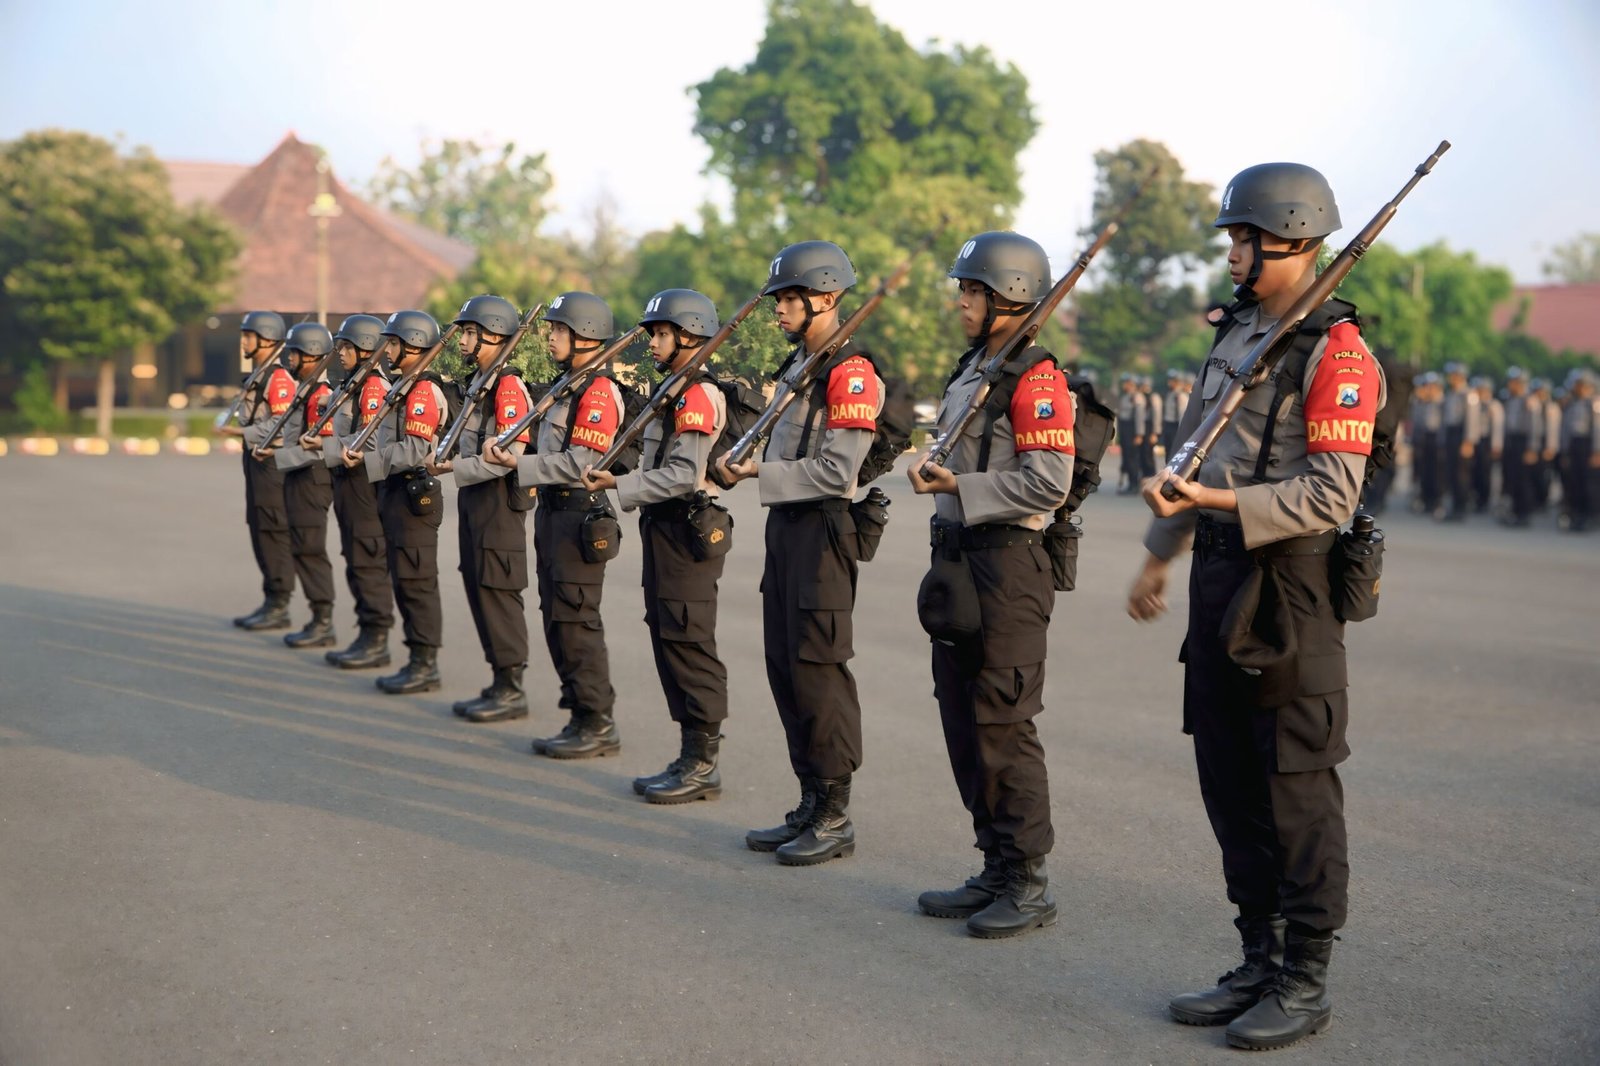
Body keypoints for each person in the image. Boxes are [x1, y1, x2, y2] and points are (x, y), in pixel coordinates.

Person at [1126, 162, 1384, 1051]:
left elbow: (1332, 495)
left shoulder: (1337, 354)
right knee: (1230, 780)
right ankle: (1257, 958)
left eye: (1246, 238)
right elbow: (1198, 457)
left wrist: (1211, 505)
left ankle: (1304, 978)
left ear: (1296, 241)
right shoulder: (1237, 336)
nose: (1233, 253)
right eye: (1234, 238)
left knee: (1294, 788)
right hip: (1219, 574)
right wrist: (1160, 554)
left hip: (1290, 589)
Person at [907, 231, 1074, 938]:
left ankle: (1028, 879)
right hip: (958, 561)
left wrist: (958, 486)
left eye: (973, 290)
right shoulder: (975, 368)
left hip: (1007, 566)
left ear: (1010, 296)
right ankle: (995, 864)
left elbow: (1049, 483)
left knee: (1003, 724)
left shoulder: (1036, 379)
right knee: (963, 720)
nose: (962, 302)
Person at [716, 240, 884, 866]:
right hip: (786, 528)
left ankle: (835, 813)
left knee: (818, 669)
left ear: (827, 298)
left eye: (790, 297)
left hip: (822, 532)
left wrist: (758, 472)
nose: (779, 308)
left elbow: (839, 471)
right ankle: (811, 801)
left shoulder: (850, 372)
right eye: (778, 298)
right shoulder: (801, 365)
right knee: (785, 666)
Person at [582, 289, 731, 803]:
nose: (653, 342)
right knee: (669, 638)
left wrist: (619, 484)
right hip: (663, 528)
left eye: (663, 333)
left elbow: (685, 473)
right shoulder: (673, 387)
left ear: (690, 335)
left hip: (687, 530)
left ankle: (703, 763)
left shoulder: (697, 394)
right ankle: (689, 754)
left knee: (690, 640)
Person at [486, 292, 624, 758]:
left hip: (578, 514)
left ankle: (598, 720)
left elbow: (582, 461)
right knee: (557, 619)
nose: (551, 336)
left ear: (586, 334)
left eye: (560, 329)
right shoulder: (567, 384)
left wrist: (519, 465)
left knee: (577, 620)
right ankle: (579, 714)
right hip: (552, 512)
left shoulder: (597, 391)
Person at [438, 296, 535, 723]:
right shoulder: (480, 381)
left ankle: (512, 686)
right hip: (475, 499)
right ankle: (499, 680)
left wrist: (453, 467)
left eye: (470, 332)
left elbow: (507, 457)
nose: (462, 339)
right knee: (478, 585)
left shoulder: (507, 386)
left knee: (497, 590)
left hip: (497, 502)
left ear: (494, 335)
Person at [343, 310, 449, 695]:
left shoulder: (422, 391)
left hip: (412, 495)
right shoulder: (405, 385)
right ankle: (415, 658)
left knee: (417, 581)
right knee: (403, 579)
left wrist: (369, 460)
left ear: (414, 344)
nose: (386, 350)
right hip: (394, 492)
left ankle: (425, 663)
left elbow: (416, 449)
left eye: (392, 343)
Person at [309, 314, 396, 669]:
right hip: (347, 483)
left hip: (363, 485)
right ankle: (366, 632)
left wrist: (327, 446)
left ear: (367, 349)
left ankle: (376, 638)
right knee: (355, 559)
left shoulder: (374, 386)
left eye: (348, 347)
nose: (341, 353)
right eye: (340, 346)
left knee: (367, 559)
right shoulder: (353, 384)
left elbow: (369, 441)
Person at [259, 322, 339, 648]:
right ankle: (317, 617)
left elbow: (319, 447)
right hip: (298, 476)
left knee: (310, 549)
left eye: (294, 353)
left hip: (311, 478)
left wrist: (277, 457)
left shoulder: (321, 395)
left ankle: (323, 620)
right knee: (300, 547)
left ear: (311, 355)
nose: (289, 359)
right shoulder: (305, 389)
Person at [221, 310, 296, 629]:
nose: (243, 342)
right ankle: (271, 598)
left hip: (271, 464)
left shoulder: (278, 378)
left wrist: (242, 432)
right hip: (254, 460)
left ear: (266, 339)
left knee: (272, 530)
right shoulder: (259, 374)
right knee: (258, 527)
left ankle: (280, 602)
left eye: (248, 335)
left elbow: (282, 424)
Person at [1558, 369, 1597, 532]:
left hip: (1587, 445)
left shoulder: (1594, 403)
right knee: (1575, 482)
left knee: (1589, 483)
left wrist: (1597, 451)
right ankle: (1576, 514)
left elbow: (1597, 429)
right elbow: (1566, 429)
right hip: (1574, 445)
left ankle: (1590, 515)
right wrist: (1565, 451)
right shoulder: (1572, 404)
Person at [1500, 368, 1536, 526]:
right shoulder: (1510, 399)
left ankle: (1524, 513)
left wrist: (1531, 448)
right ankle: (1514, 511)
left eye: (1513, 382)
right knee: (1513, 478)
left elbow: (1534, 426)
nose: (1510, 385)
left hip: (1524, 442)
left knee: (1523, 480)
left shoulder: (1529, 400)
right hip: (1512, 441)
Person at [1469, 375, 1502, 514]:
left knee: (1485, 472)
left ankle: (1485, 499)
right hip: (1475, 440)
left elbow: (1498, 427)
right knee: (1474, 470)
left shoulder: (1494, 405)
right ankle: (1476, 497)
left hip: (1487, 441)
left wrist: (1496, 445)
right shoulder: (1474, 404)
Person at [1116, 373, 1146, 494]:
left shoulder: (1137, 397)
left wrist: (1139, 434)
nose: (1124, 385)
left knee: (1132, 458)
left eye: (1126, 383)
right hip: (1125, 429)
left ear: (1132, 384)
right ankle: (1130, 484)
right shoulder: (1125, 396)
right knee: (1126, 458)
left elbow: (1139, 417)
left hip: (1132, 430)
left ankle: (1134, 484)